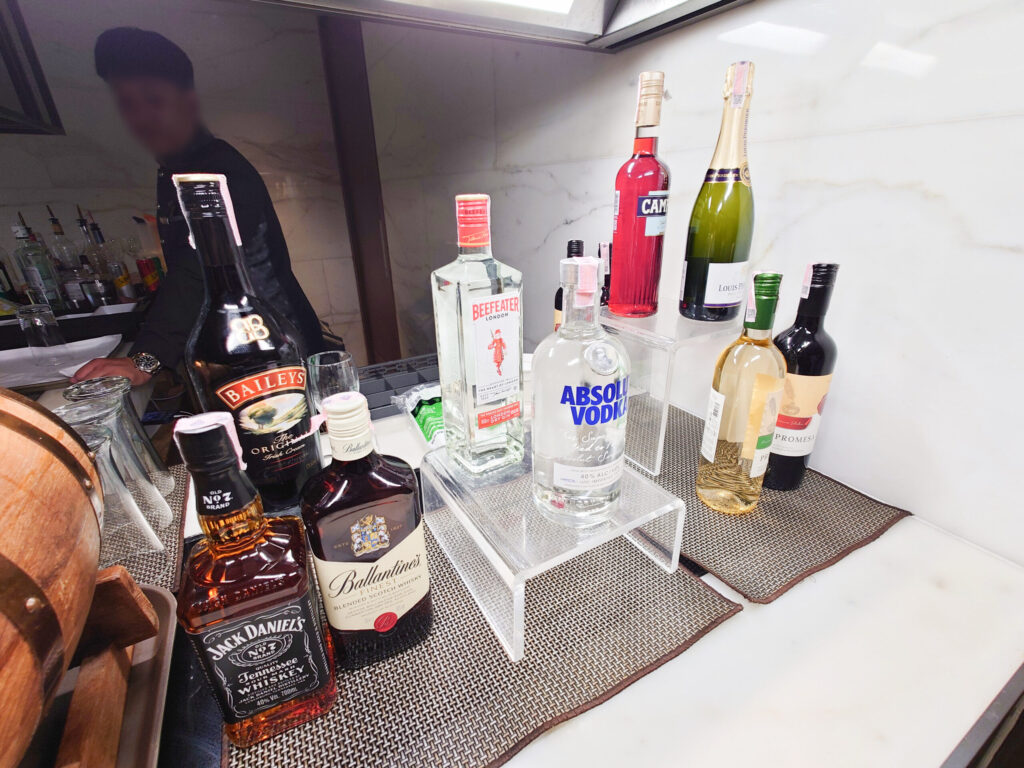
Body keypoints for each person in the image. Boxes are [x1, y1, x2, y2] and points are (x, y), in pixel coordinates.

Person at [73, 27, 326, 386]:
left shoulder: (214, 172)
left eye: (154, 100)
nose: (141, 117)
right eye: (128, 104)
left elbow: (197, 269)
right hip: (242, 342)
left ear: (187, 101)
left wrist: (145, 359)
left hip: (271, 346)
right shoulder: (178, 167)